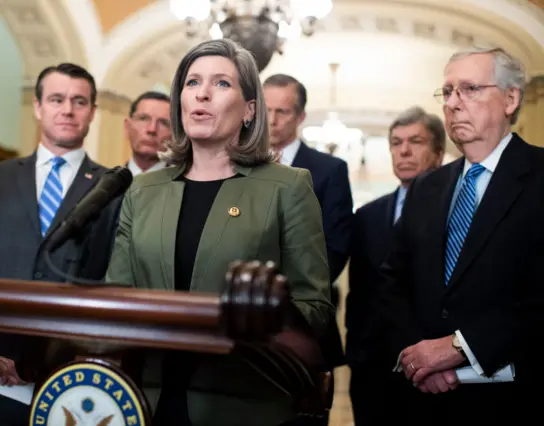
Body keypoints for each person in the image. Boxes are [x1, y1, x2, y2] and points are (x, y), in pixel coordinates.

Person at [104, 38, 332, 426]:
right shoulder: (143, 190)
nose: (203, 95)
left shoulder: (288, 186)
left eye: (221, 84)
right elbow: (117, 295)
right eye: (192, 83)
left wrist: (265, 310)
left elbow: (315, 307)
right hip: (146, 400)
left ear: (249, 110)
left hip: (241, 404)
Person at [0, 63, 122, 426]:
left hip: (69, 383)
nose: (68, 109)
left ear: (92, 111)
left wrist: (54, 354)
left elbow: (112, 278)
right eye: (57, 99)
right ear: (39, 106)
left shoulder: (113, 188)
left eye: (79, 101)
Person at [380, 47, 544, 425]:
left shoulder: (539, 176)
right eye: (448, 91)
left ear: (511, 98)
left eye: (469, 89)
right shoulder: (426, 188)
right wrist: (419, 357)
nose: (453, 104)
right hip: (422, 399)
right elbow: (393, 283)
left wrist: (459, 348)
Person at [345, 106, 445, 425]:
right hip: (372, 366)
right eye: (396, 142)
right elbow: (358, 291)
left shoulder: (458, 211)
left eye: (415, 141)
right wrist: (356, 353)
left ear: (438, 152)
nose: (404, 150)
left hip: (433, 366)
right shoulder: (368, 216)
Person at [263, 73, 353, 399]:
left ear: (300, 117)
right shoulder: (233, 165)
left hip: (305, 325)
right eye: (265, 109)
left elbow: (336, 248)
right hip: (241, 326)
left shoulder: (329, 171)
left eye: (282, 112)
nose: (271, 120)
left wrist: (274, 293)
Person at [124, 91, 171, 176]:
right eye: (143, 119)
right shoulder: (103, 185)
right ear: (127, 127)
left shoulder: (186, 187)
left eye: (163, 123)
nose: (152, 129)